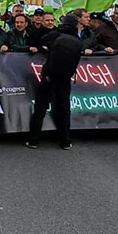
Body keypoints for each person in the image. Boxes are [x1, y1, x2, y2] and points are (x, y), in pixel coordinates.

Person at [24, 14, 83, 150]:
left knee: (40, 109)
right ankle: (65, 141)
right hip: (66, 79)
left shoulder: (56, 35)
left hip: (49, 77)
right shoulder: (77, 40)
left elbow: (41, 40)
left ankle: (33, 140)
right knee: (64, 109)